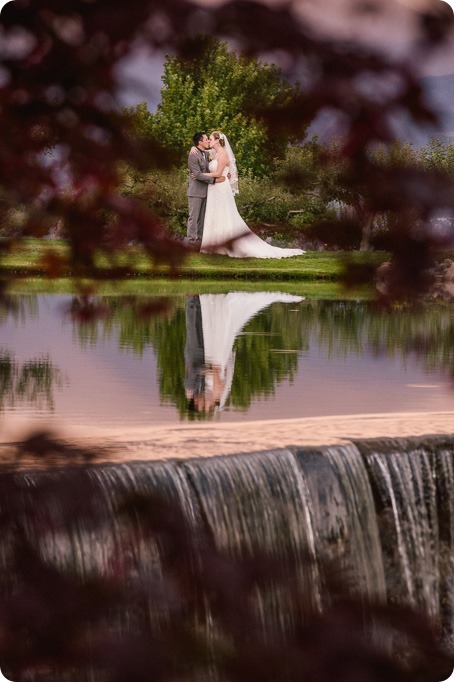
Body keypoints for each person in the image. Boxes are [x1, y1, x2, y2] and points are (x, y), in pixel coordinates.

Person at [197, 131, 305, 258]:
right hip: (214, 188)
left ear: (217, 140)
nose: (209, 141)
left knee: (225, 214)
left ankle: (229, 245)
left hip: (221, 187)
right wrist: (194, 148)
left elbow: (218, 173)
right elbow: (201, 151)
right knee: (214, 213)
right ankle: (215, 246)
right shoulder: (215, 153)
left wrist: (199, 175)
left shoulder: (224, 154)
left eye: (210, 139)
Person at [186, 132, 227, 245]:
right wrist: (214, 180)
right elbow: (198, 175)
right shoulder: (193, 155)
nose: (208, 141)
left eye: (209, 139)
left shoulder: (206, 153)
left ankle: (199, 241)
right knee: (193, 218)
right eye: (206, 139)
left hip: (206, 190)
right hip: (195, 191)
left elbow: (219, 163)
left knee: (202, 219)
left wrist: (226, 173)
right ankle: (191, 243)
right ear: (200, 142)